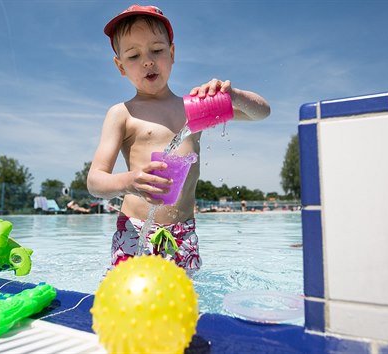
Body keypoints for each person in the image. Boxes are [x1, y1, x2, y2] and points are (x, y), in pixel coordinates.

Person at [87, 5, 270, 272]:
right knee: (131, 304)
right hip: (135, 231)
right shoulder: (122, 114)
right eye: (134, 55)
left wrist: (234, 96)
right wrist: (130, 181)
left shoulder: (194, 108)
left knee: (185, 305)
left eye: (157, 50)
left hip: (183, 232)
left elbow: (261, 113)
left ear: (172, 53)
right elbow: (95, 181)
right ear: (121, 67)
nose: (148, 61)